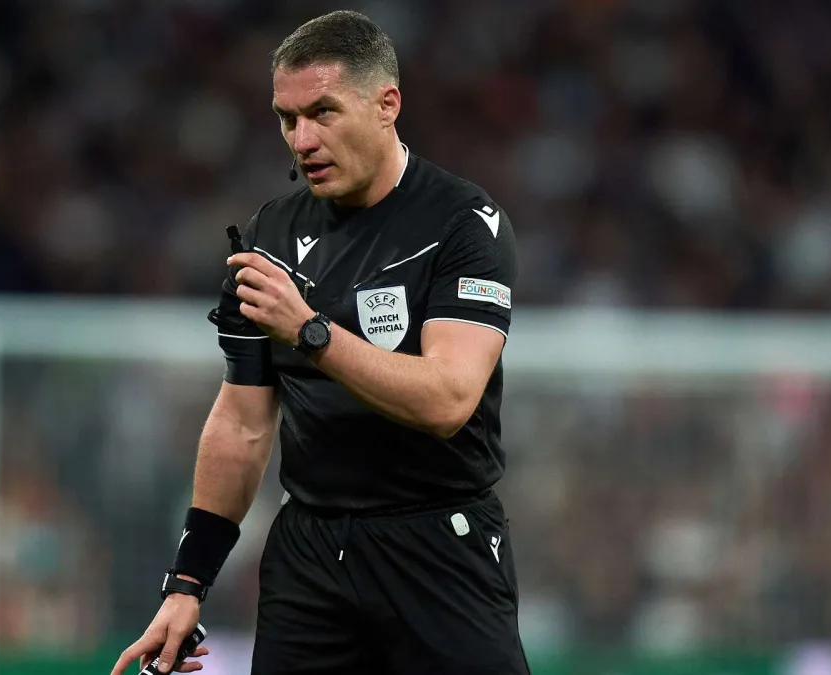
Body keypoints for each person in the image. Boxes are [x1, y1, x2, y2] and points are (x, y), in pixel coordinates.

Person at [112, 10, 525, 675]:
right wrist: (187, 582)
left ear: (386, 105)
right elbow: (243, 422)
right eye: (287, 118)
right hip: (310, 558)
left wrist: (309, 331)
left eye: (323, 112)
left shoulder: (463, 224)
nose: (302, 140)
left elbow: (448, 399)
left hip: (440, 550)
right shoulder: (268, 238)